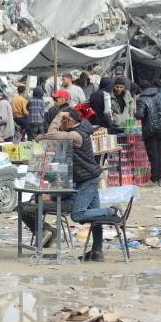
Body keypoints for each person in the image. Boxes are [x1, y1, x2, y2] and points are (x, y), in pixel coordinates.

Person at [45, 110, 121, 261]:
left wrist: (59, 116)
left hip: (88, 178)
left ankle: (112, 211)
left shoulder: (76, 135)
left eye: (62, 122)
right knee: (96, 216)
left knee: (77, 215)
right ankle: (97, 251)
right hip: (88, 176)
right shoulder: (80, 129)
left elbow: (52, 135)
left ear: (68, 121)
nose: (60, 125)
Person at [135, 81, 161, 185]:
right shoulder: (159, 95)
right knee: (158, 154)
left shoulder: (141, 99)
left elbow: (140, 115)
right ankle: (159, 179)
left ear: (141, 88)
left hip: (150, 130)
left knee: (153, 155)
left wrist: (134, 113)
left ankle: (154, 179)